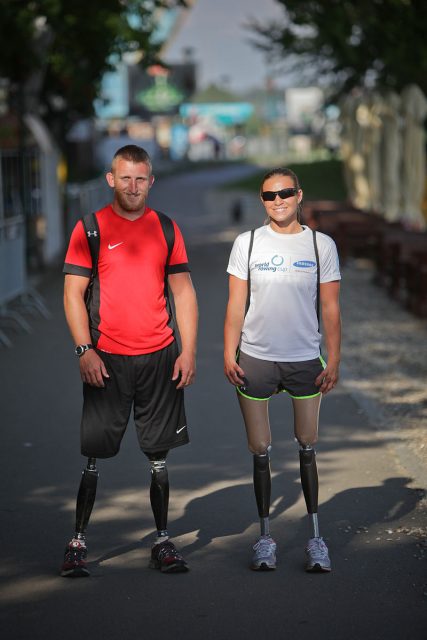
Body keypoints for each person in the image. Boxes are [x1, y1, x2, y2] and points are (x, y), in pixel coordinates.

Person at [61, 145, 198, 577]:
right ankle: (78, 542)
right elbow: (72, 294)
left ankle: (162, 541)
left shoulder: (168, 228)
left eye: (141, 179)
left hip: (159, 358)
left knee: (159, 457)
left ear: (151, 181)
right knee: (94, 456)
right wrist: (85, 349)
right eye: (125, 178)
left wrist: (189, 350)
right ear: (110, 179)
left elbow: (184, 293)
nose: (133, 187)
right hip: (107, 359)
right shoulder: (91, 228)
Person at [224, 167, 341, 572]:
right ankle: (265, 538)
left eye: (285, 193)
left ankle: (315, 539)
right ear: (262, 201)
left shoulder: (320, 244)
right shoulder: (248, 242)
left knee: (307, 442)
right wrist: (228, 353)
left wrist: (336, 357)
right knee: (260, 448)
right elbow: (235, 305)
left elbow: (330, 308)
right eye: (270, 196)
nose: (278, 201)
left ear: (299, 195)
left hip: (304, 357)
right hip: (255, 357)